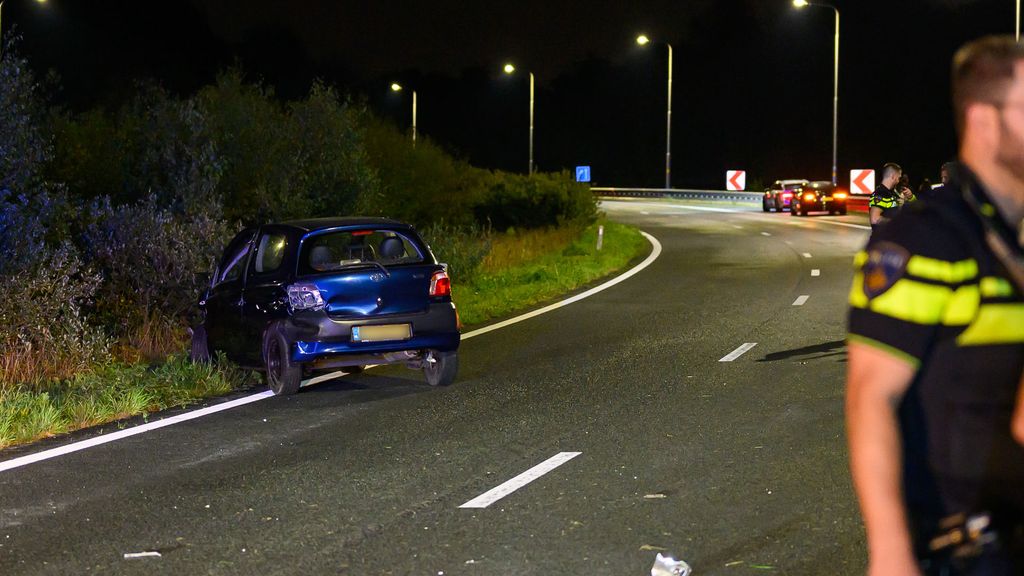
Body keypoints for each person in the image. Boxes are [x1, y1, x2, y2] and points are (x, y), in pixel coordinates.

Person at [847, 36, 1024, 575]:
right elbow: (870, 398)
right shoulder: (927, 239)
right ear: (984, 119)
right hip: (966, 552)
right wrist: (891, 553)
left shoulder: (1010, 240)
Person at [869, 163, 911, 232]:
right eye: (899, 177)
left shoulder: (892, 193)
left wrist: (903, 202)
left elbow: (892, 212)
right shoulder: (880, 193)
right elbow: (875, 219)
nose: (898, 180)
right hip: (882, 240)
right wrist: (897, 223)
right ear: (893, 176)